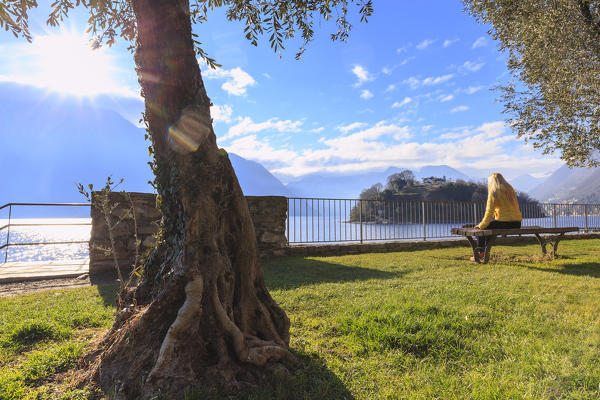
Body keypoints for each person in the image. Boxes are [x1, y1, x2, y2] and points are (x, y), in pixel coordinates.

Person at [472, 172, 522, 261]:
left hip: (504, 222)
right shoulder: (510, 189)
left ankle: (480, 253)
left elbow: (489, 212)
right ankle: (485, 252)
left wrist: (481, 226)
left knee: (480, 231)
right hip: (517, 223)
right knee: (489, 229)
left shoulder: (494, 191)